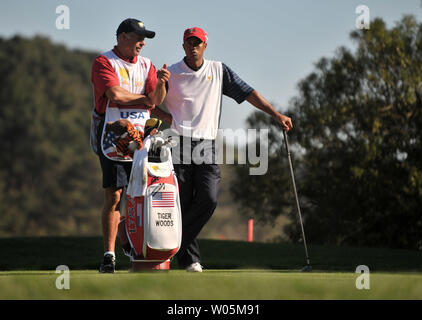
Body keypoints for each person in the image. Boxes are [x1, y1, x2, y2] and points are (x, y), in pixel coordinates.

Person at [160, 27, 293, 272]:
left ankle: (169, 246)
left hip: (206, 144)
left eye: (197, 42)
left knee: (208, 199)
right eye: (189, 42)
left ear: (205, 45)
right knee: (183, 204)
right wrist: (168, 118)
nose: (193, 46)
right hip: (177, 143)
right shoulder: (172, 73)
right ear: (183, 46)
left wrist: (275, 114)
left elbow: (248, 93)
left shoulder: (219, 71)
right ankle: (190, 261)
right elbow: (149, 101)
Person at [90, 18, 170, 273]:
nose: (142, 43)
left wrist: (160, 85)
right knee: (114, 196)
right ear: (122, 36)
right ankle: (109, 255)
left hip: (144, 140)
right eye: (138, 37)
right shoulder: (104, 61)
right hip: (114, 136)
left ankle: (140, 247)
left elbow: (155, 100)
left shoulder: (148, 65)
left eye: (144, 38)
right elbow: (115, 94)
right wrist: (146, 99)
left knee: (145, 194)